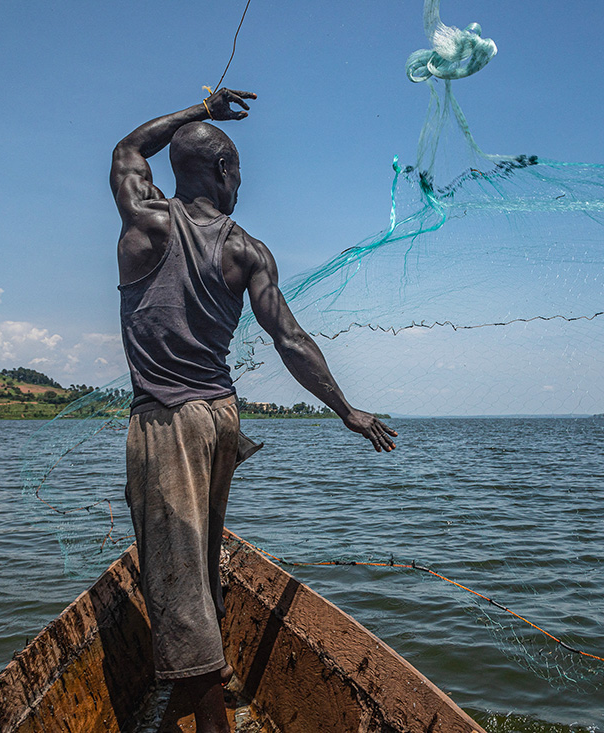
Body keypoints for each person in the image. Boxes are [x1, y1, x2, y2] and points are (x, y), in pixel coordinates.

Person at [110, 87, 397, 732]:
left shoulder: (147, 221)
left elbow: (129, 149)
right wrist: (345, 410)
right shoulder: (247, 249)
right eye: (238, 172)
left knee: (175, 572)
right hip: (221, 422)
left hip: (168, 423)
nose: (241, 183)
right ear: (222, 171)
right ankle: (209, 679)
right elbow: (290, 340)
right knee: (201, 556)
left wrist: (198, 110)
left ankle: (211, 721)